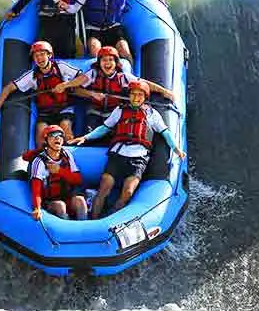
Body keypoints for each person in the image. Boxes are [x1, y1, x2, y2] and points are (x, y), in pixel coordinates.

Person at [73, 80, 185, 219]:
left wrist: (176, 149)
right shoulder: (120, 110)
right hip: (117, 155)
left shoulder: (152, 114)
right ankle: (94, 219)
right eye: (133, 94)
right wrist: (86, 137)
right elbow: (105, 128)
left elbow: (165, 133)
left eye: (140, 95)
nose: (136, 98)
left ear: (145, 98)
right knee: (104, 188)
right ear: (129, 95)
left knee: (128, 192)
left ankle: (111, 218)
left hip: (139, 158)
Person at [52, 45, 176, 133]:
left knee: (114, 133)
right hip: (94, 111)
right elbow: (78, 84)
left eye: (111, 60)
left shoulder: (123, 78)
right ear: (99, 63)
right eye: (104, 60)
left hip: (114, 112)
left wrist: (164, 91)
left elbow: (144, 84)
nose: (107, 63)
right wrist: (69, 87)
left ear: (116, 63)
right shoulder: (93, 74)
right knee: (90, 132)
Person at [0, 40, 82, 143]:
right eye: (36, 56)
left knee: (66, 128)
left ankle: (65, 154)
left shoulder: (61, 67)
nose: (39, 58)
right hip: (45, 112)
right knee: (41, 136)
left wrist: (65, 85)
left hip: (64, 108)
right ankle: (43, 157)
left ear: (49, 55)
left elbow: (83, 77)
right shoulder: (32, 76)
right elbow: (8, 88)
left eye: (42, 54)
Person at [28, 125, 89, 221]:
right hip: (50, 202)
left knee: (80, 201)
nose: (58, 138)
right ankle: (66, 231)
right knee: (60, 206)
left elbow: (78, 179)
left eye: (60, 135)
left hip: (67, 197)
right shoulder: (39, 162)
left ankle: (84, 229)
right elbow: (36, 189)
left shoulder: (66, 154)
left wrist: (59, 171)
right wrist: (37, 208)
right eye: (53, 135)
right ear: (46, 140)